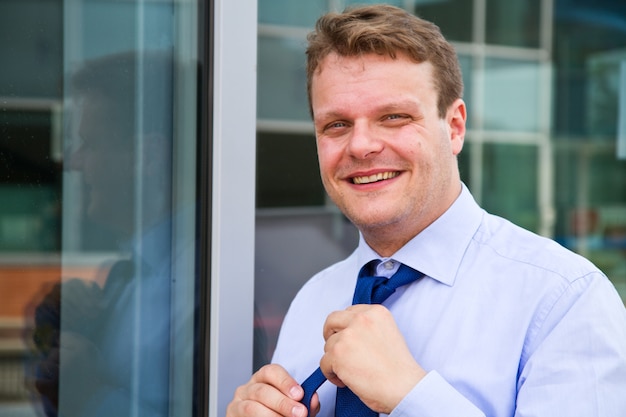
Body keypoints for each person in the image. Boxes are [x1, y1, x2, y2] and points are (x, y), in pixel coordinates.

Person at [227, 4, 626, 417]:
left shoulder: (565, 300)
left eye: (394, 117)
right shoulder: (312, 300)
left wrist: (408, 394)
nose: (361, 146)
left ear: (454, 127)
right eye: (337, 125)